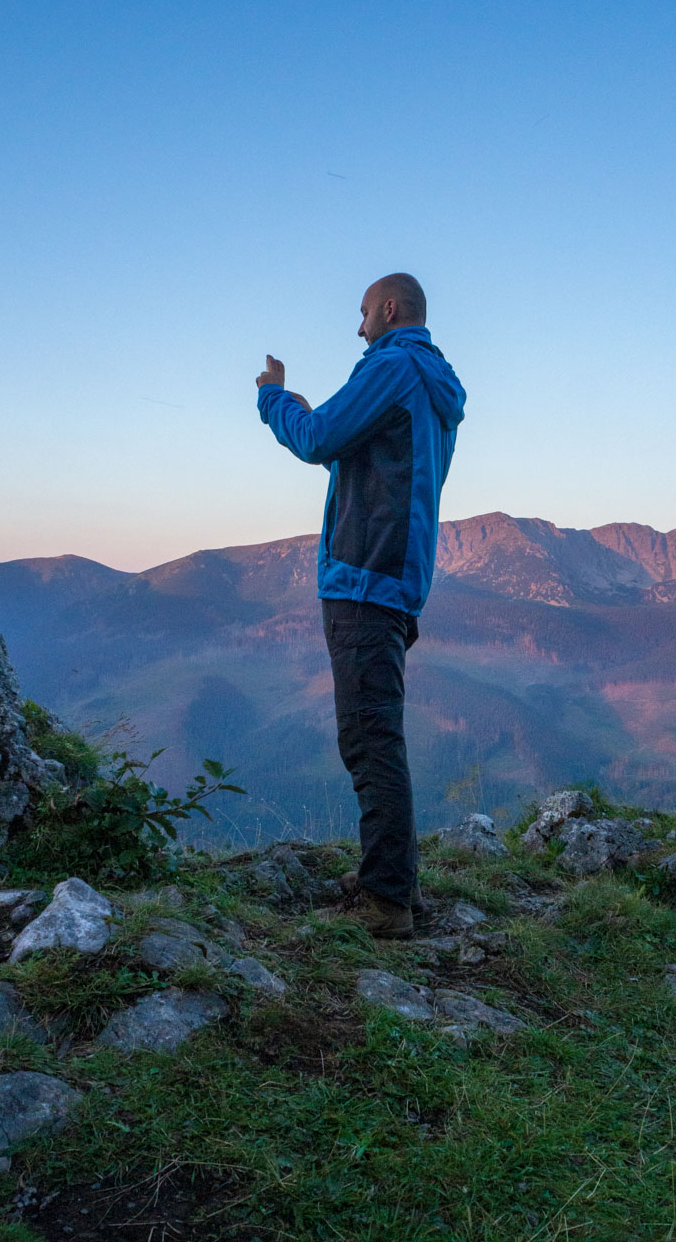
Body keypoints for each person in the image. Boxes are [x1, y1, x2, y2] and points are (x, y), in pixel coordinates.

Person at [256, 273, 466, 939]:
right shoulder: (427, 380)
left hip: (363, 577)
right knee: (375, 731)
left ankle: (386, 900)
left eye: (361, 314)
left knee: (369, 737)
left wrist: (273, 399)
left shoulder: (394, 366)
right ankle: (386, 878)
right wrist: (320, 419)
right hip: (393, 578)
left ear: (388, 309)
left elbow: (316, 440)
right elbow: (358, 454)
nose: (357, 328)